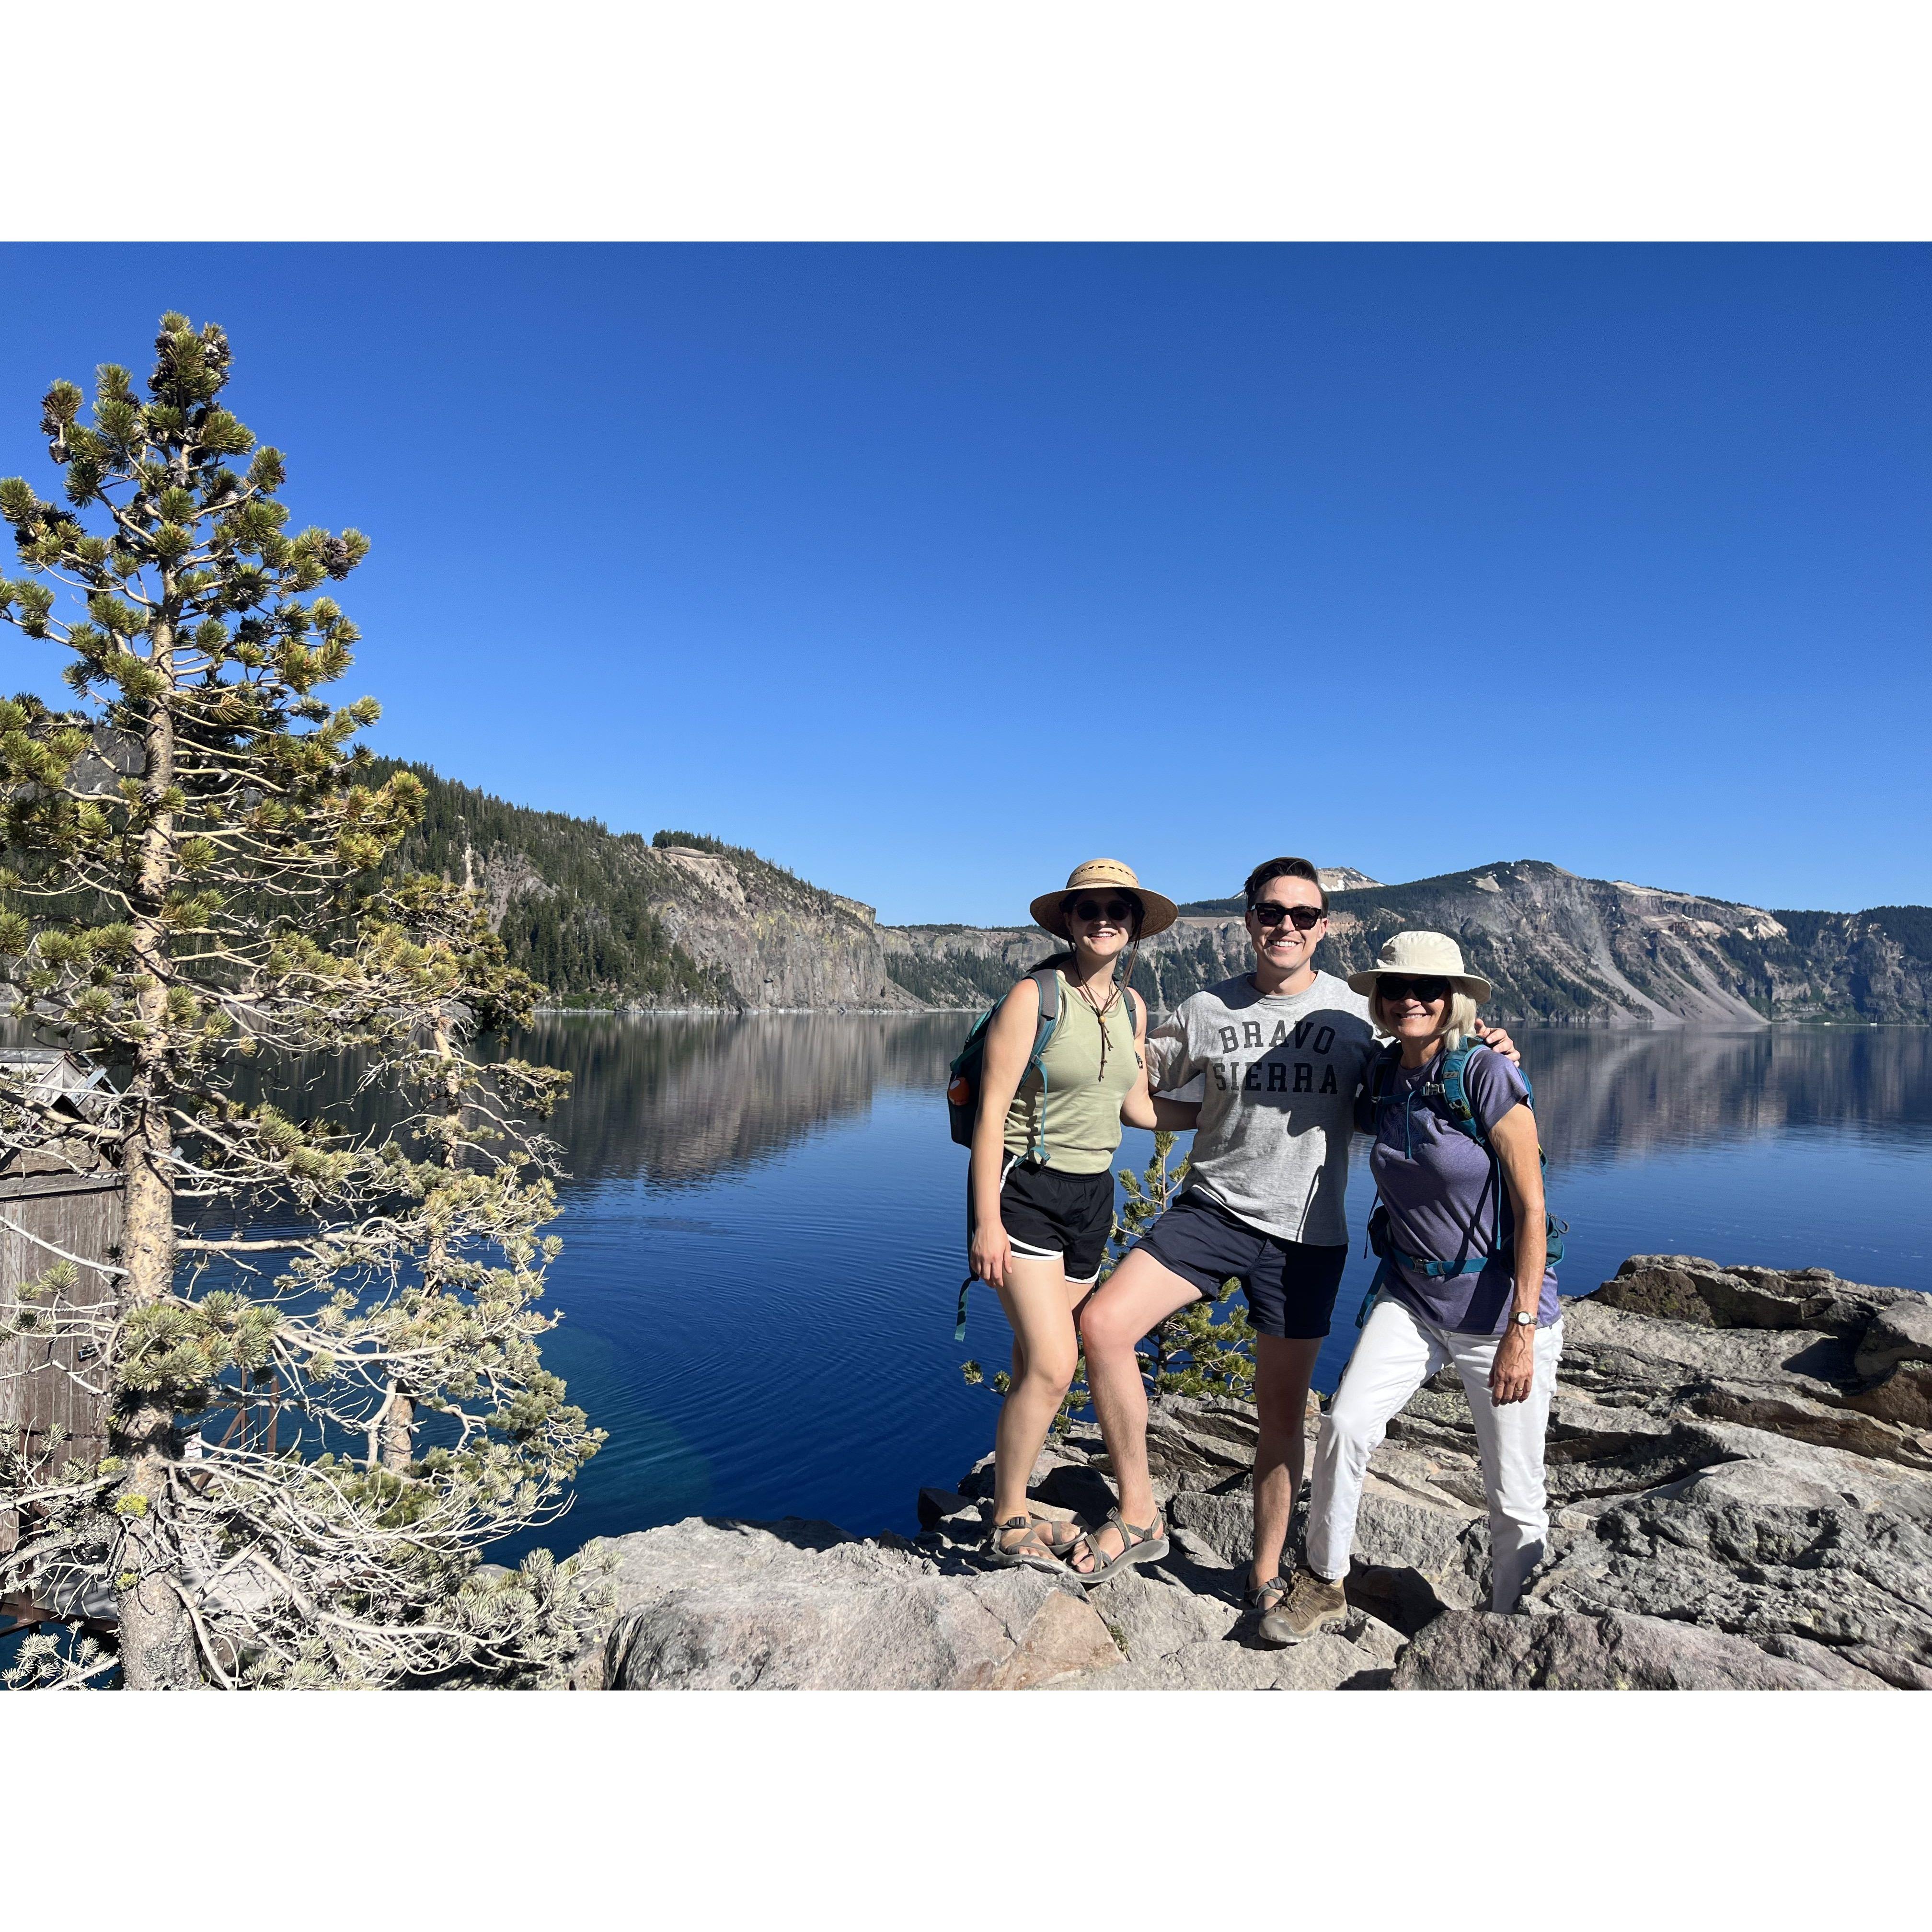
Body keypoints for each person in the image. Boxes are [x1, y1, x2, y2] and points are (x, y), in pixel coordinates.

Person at [1068, 860, 1517, 1604]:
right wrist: (1199, 1113)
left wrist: (1485, 1051)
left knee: (1281, 1414)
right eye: (1272, 913)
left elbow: (1418, 1074)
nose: (1286, 926)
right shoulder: (1206, 1009)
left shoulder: (1355, 1014)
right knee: (1103, 1326)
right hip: (1211, 1210)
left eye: (1303, 915)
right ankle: (1140, 1512)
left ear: (1324, 927)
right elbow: (1137, 1089)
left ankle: (1266, 1572)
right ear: (1249, 921)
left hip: (1307, 1238)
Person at [1269, 930, 1562, 1640]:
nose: (1410, 1000)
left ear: (1453, 998)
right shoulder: (1383, 1074)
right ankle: (1324, 1580)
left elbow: (1533, 1209)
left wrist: (1522, 1331)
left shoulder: (1485, 1073)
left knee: (1514, 1493)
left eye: (1428, 989)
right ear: (1379, 999)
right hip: (1412, 1297)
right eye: (1395, 988)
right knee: (1345, 1425)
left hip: (1497, 1311)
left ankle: (1506, 1633)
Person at [967, 859, 1188, 1569]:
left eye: (1117, 910)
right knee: (1056, 1364)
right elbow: (991, 1117)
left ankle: (1012, 1494)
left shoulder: (1132, 1008)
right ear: (1067, 920)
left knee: (1036, 1357)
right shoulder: (1034, 997)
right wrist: (986, 1223)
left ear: (1134, 926)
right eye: (1088, 908)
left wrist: (1225, 1111)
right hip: (1026, 1192)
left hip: (1092, 1200)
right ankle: (1007, 1520)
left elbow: (1138, 1108)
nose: (1103, 920)